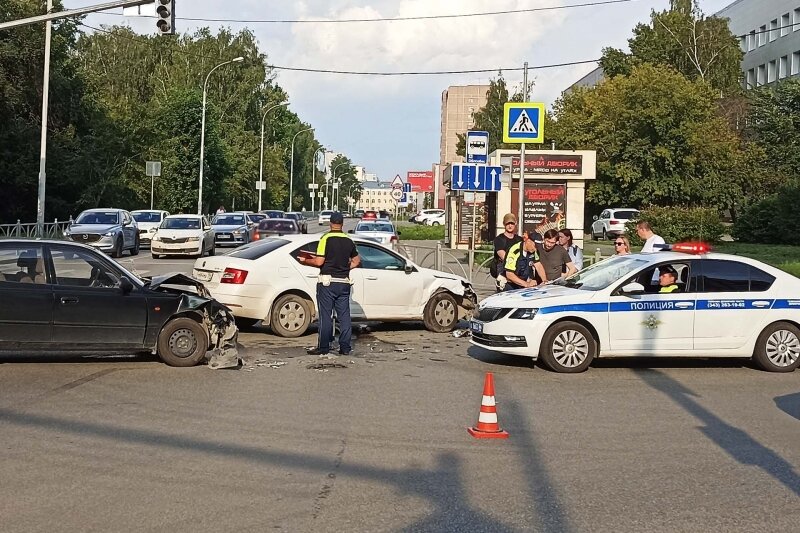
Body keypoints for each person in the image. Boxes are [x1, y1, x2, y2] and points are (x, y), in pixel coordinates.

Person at [298, 212, 361, 356]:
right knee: (344, 316)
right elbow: (356, 261)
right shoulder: (348, 240)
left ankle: (324, 347)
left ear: (331, 223)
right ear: (342, 224)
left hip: (327, 283)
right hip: (343, 282)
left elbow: (319, 262)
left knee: (326, 316)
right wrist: (345, 268)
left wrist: (306, 261)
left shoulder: (325, 238)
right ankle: (345, 348)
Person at [492, 213, 523, 291]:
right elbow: (503, 256)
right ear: (504, 224)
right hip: (504, 271)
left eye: (512, 223)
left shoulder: (519, 239)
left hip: (519, 271)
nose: (510, 226)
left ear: (515, 224)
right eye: (508, 223)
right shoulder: (499, 239)